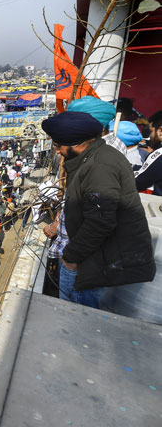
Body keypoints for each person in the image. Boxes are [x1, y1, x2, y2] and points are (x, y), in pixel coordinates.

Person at [42, 111, 155, 308]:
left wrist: (70, 256)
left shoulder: (99, 167)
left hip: (88, 263)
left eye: (58, 146)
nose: (57, 152)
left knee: (75, 316)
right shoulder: (96, 157)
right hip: (92, 257)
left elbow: (100, 221)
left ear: (76, 143)